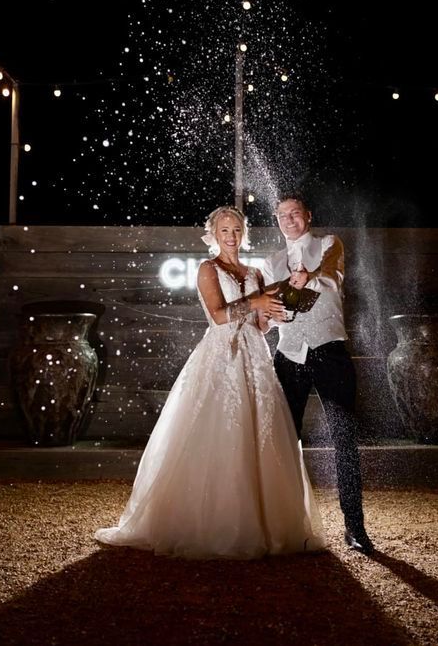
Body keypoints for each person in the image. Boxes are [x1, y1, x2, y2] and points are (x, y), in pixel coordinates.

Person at [95, 206, 326, 559]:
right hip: (222, 356)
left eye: (236, 229)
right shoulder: (208, 269)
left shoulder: (253, 272)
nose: (231, 236)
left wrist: (276, 312)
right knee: (220, 429)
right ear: (214, 235)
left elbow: (260, 324)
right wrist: (256, 301)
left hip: (254, 354)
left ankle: (267, 524)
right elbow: (218, 315)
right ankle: (217, 523)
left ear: (243, 233)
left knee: (260, 431)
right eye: (224, 231)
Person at [262, 193, 374, 555]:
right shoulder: (270, 262)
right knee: (284, 442)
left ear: (308, 216)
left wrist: (307, 276)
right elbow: (266, 312)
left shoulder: (330, 244)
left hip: (330, 353)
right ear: (276, 221)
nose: (289, 219)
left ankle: (355, 529)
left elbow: (330, 274)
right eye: (282, 215)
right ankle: (286, 527)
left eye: (295, 213)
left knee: (344, 441)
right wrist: (270, 315)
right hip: (288, 356)